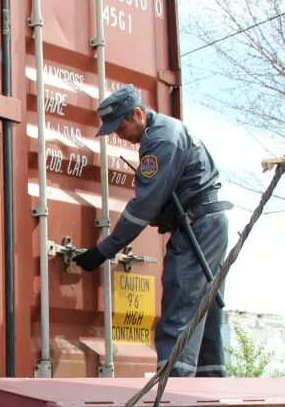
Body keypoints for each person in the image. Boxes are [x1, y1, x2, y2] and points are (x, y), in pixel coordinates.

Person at [72, 84, 229, 377]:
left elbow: (142, 208)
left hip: (197, 226)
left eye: (120, 128)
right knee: (204, 310)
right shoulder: (166, 132)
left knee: (180, 305)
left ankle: (170, 397)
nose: (119, 136)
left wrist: (104, 250)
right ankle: (211, 388)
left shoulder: (160, 140)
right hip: (206, 223)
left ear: (137, 114)